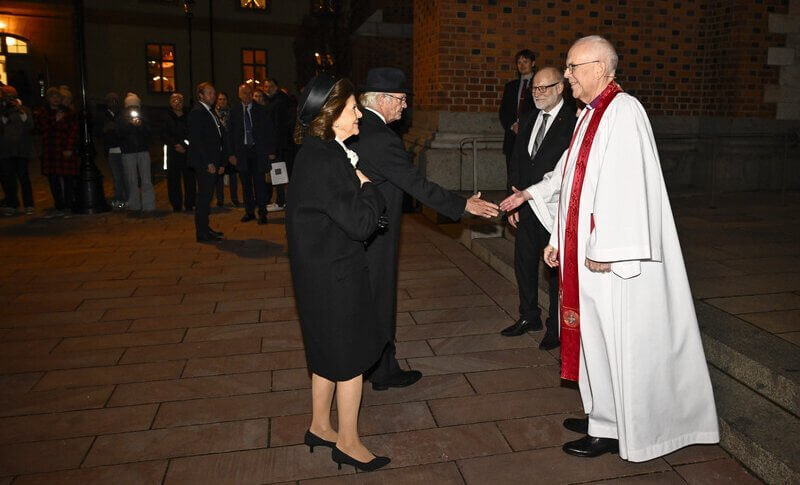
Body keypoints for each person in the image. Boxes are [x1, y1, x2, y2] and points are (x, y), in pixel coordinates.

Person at [499, 35, 719, 461]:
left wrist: (608, 248)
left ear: (600, 68)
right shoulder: (590, 115)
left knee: (611, 341)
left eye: (572, 67)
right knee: (593, 340)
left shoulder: (624, 112)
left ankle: (617, 426)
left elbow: (629, 185)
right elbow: (567, 176)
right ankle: (603, 415)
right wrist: (547, 220)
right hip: (585, 254)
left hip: (609, 262)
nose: (566, 75)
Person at [352, 68, 499, 391]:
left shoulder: (357, 129)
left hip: (357, 230)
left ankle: (373, 365)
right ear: (383, 99)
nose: (405, 106)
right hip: (376, 234)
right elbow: (415, 184)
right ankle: (381, 369)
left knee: (365, 298)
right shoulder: (381, 138)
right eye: (402, 99)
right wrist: (462, 205)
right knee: (380, 298)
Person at [287, 75, 390, 472]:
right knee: (350, 360)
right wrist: (369, 188)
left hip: (316, 274)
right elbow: (360, 225)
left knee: (326, 354)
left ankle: (319, 425)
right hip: (335, 276)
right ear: (330, 116)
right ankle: (347, 442)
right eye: (352, 109)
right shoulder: (328, 159)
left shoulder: (314, 151)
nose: (359, 113)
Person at [500, 67, 576, 351]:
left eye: (545, 88)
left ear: (560, 89)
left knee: (554, 268)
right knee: (524, 263)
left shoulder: (574, 122)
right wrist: (514, 198)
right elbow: (517, 159)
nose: (539, 93)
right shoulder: (529, 118)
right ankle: (528, 316)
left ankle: (555, 327)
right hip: (525, 204)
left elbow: (565, 171)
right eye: (534, 88)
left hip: (554, 208)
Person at [226, 83, 275, 225]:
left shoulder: (261, 110)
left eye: (249, 93)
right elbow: (229, 134)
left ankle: (262, 213)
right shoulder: (234, 111)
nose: (247, 96)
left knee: (259, 183)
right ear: (239, 95)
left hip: (258, 151)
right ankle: (249, 212)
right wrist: (231, 154)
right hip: (242, 153)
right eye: (244, 93)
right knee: (246, 184)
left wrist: (271, 151)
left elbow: (269, 131)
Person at [188, 82, 225, 242]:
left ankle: (205, 228)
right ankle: (201, 232)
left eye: (213, 92)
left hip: (213, 161)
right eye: (209, 93)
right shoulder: (197, 112)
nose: (213, 95)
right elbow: (197, 141)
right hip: (205, 163)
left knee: (207, 196)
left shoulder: (209, 111)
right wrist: (208, 162)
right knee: (204, 197)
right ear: (200, 95)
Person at [35, 87, 78, 218]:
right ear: (48, 99)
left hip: (64, 149)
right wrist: (55, 120)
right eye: (52, 97)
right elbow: (42, 129)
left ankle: (69, 206)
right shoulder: (43, 113)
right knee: (53, 180)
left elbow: (73, 131)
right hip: (51, 151)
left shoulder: (68, 112)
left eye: (57, 97)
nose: (55, 99)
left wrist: (69, 148)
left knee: (68, 179)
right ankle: (59, 205)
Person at [499, 49, 536, 190]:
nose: (522, 65)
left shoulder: (538, 83)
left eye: (525, 62)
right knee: (512, 174)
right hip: (512, 137)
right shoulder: (511, 86)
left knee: (528, 173)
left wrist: (525, 126)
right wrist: (512, 125)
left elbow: (538, 110)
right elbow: (503, 111)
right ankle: (510, 206)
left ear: (533, 63)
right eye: (519, 62)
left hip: (530, 134)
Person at [117, 92, 156, 213]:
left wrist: (140, 125)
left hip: (143, 150)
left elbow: (150, 134)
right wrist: (129, 125)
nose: (132, 108)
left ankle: (149, 205)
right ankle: (134, 204)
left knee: (146, 179)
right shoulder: (121, 118)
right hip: (128, 151)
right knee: (131, 179)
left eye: (135, 106)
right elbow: (119, 134)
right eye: (130, 106)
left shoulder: (144, 117)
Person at [0, 85, 35, 216]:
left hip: (21, 150)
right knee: (8, 179)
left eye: (11, 96)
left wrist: (19, 110)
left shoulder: (24, 109)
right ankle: (12, 203)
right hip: (5, 150)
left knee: (23, 177)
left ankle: (29, 204)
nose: (9, 99)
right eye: (6, 96)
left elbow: (30, 126)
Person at [264, 77, 292, 212]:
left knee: (278, 173)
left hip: (279, 146)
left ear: (276, 87)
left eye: (271, 86)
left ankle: (281, 202)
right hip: (281, 145)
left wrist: (273, 149)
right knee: (279, 173)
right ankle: (281, 201)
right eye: (266, 86)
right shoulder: (275, 101)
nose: (268, 89)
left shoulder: (278, 102)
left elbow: (278, 128)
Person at [163, 93, 195, 212]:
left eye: (179, 100)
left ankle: (190, 203)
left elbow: (192, 133)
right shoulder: (166, 117)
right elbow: (164, 134)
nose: (177, 102)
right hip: (172, 152)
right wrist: (175, 145)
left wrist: (184, 144)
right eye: (174, 100)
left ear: (183, 102)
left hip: (187, 152)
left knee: (190, 179)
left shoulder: (189, 116)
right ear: (170, 102)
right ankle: (176, 204)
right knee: (173, 180)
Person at [214, 91, 240, 208]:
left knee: (233, 175)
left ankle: (235, 199)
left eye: (224, 99)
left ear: (227, 101)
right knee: (219, 174)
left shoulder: (232, 113)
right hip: (218, 149)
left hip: (231, 147)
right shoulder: (213, 114)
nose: (222, 101)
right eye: (220, 99)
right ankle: (220, 199)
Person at [101, 92, 127, 209]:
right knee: (117, 177)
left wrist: (116, 128)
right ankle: (119, 199)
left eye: (116, 101)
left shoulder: (122, 114)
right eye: (111, 101)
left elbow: (125, 130)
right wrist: (105, 129)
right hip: (111, 151)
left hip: (123, 149)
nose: (113, 103)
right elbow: (98, 131)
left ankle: (127, 199)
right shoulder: (103, 115)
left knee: (126, 176)